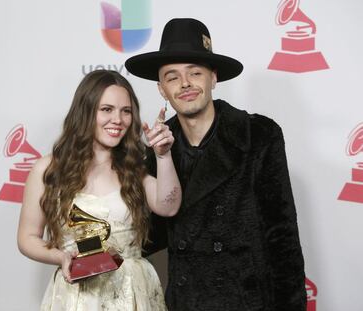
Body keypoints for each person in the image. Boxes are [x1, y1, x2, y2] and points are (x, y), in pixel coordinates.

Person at [125, 18, 306, 310]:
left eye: (195, 73)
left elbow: (282, 238)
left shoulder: (258, 135)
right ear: (161, 89)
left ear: (213, 78)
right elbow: (151, 237)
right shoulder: (155, 150)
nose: (185, 84)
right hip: (187, 300)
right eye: (172, 77)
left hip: (248, 301)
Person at [17, 69, 182, 310]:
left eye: (126, 111)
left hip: (133, 293)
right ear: (85, 111)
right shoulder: (49, 168)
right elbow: (27, 237)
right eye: (106, 109)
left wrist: (164, 156)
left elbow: (168, 206)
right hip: (79, 294)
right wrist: (61, 256)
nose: (118, 119)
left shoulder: (135, 166)